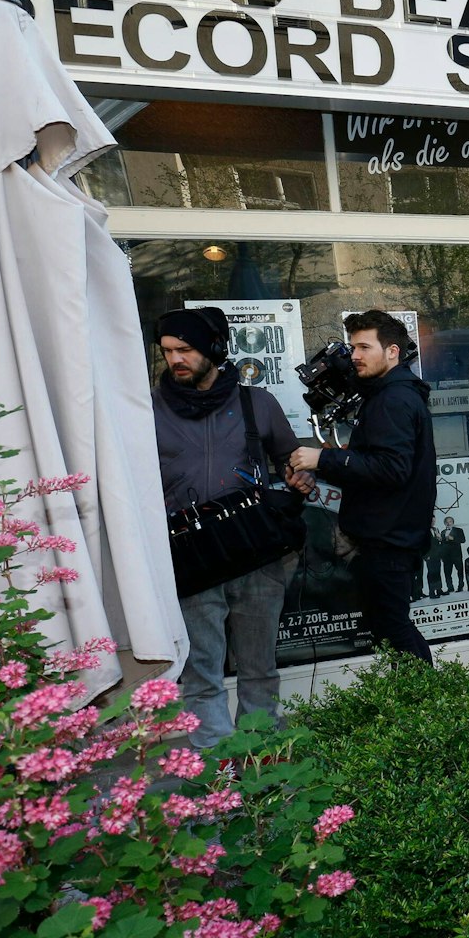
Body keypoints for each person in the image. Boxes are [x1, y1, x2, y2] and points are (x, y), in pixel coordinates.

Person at [153, 307, 312, 749]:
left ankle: (259, 765)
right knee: (201, 673)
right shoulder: (148, 406)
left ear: (216, 351)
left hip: (254, 555)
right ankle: (215, 779)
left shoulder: (255, 402)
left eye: (185, 349)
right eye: (168, 351)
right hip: (190, 558)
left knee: (259, 669)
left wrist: (299, 477)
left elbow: (290, 458)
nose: (175, 359)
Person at [288, 310, 437, 663]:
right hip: (390, 534)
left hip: (390, 538)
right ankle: (427, 704)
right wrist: (328, 465)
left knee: (393, 629)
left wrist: (322, 461)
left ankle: (427, 706)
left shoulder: (394, 399)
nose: (355, 355)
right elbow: (376, 463)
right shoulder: (390, 394)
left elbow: (391, 469)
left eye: (364, 347)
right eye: (353, 347)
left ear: (392, 352)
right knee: (391, 626)